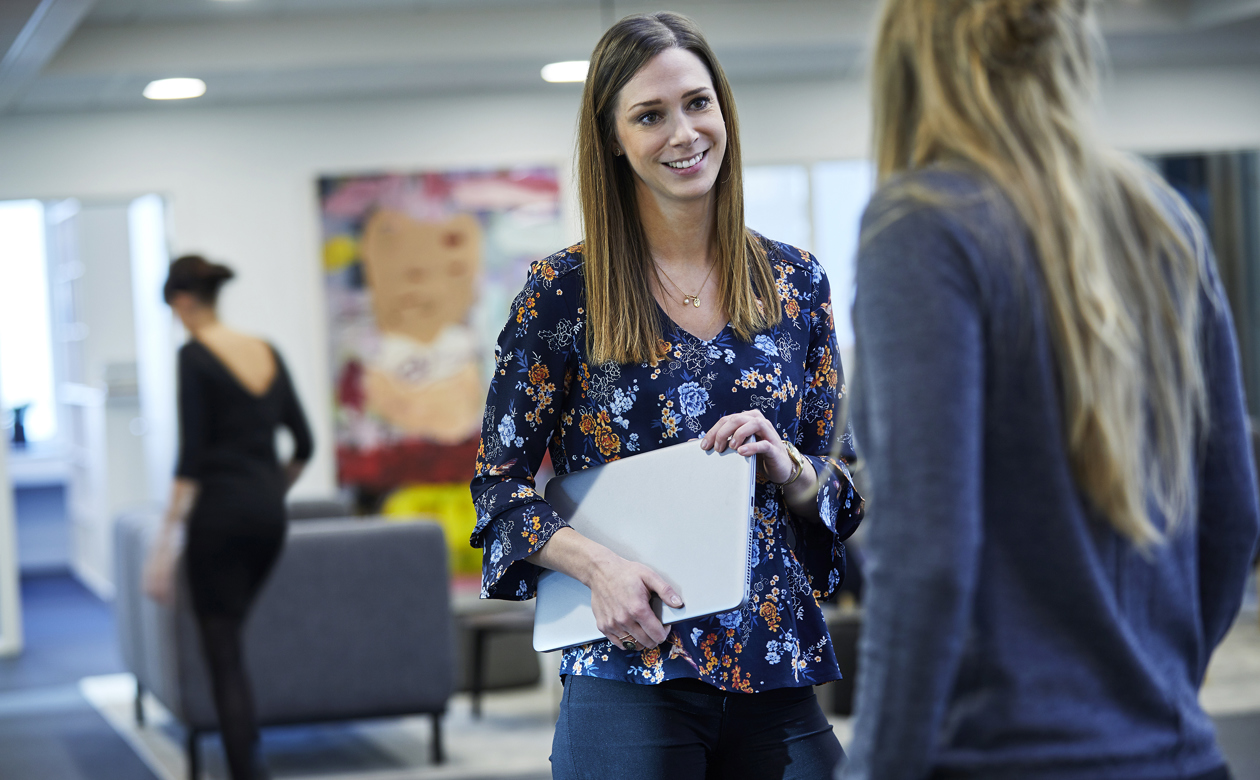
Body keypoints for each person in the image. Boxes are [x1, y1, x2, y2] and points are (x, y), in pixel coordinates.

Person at [842, 0, 1260, 779]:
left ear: (913, 57)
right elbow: (1233, 519)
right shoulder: (1164, 221)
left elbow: (926, 557)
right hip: (1176, 756)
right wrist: (1150, 698)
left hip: (1004, 758)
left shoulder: (921, 227)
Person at [469, 11, 863, 779]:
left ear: (723, 110)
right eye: (650, 115)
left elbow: (843, 485)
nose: (684, 133)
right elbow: (499, 489)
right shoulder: (563, 292)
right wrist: (596, 568)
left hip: (774, 660)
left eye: (697, 103)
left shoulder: (796, 282)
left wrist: (790, 465)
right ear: (614, 139)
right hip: (630, 662)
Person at [143, 255, 313, 780]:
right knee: (232, 640)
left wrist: (164, 546)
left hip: (218, 518)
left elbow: (191, 459)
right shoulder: (267, 350)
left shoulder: (193, 356)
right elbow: (304, 445)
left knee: (224, 653)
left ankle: (247, 770)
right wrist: (266, 493)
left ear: (183, 301)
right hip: (268, 518)